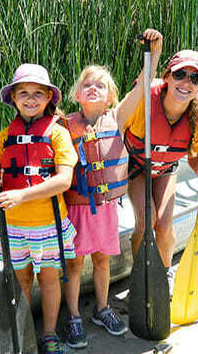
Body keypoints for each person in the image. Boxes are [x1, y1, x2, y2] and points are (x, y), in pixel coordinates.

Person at [61, 30, 163, 349]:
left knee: (103, 260)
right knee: (75, 264)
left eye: (100, 85)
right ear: (77, 93)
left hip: (104, 209)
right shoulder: (64, 125)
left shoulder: (117, 119)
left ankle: (102, 309)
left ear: (110, 97)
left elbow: (144, 86)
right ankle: (74, 315)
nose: (93, 88)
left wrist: (155, 52)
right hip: (76, 208)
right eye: (87, 84)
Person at [0, 63, 78, 354]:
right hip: (12, 223)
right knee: (21, 278)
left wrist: (21, 195)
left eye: (38, 93)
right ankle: (22, 332)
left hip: (47, 223)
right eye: (23, 92)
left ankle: (49, 334)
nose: (31, 98)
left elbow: (64, 180)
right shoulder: (0, 138)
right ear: (13, 98)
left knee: (49, 278)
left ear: (49, 98)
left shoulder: (57, 134)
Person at [122, 38, 198, 296]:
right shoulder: (143, 99)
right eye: (180, 74)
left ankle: (162, 277)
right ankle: (140, 278)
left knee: (164, 226)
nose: (186, 83)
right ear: (167, 75)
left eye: (194, 79)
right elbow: (116, 126)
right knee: (147, 219)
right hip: (135, 167)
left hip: (165, 169)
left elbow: (196, 162)